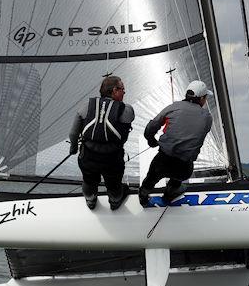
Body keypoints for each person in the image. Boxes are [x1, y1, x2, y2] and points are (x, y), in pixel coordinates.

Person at [139, 79, 214, 207]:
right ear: (201, 98)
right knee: (179, 177)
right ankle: (170, 194)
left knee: (151, 177)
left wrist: (151, 140)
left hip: (162, 161)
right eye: (205, 98)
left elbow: (151, 127)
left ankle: (143, 197)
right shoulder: (207, 117)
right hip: (183, 168)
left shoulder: (173, 107)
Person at [69, 75, 134, 210]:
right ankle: (115, 202)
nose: (124, 92)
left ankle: (90, 200)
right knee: (114, 183)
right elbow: (128, 120)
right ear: (115, 90)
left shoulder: (86, 106)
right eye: (123, 89)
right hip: (112, 159)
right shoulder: (126, 110)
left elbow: (73, 133)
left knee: (89, 180)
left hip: (88, 156)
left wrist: (73, 148)